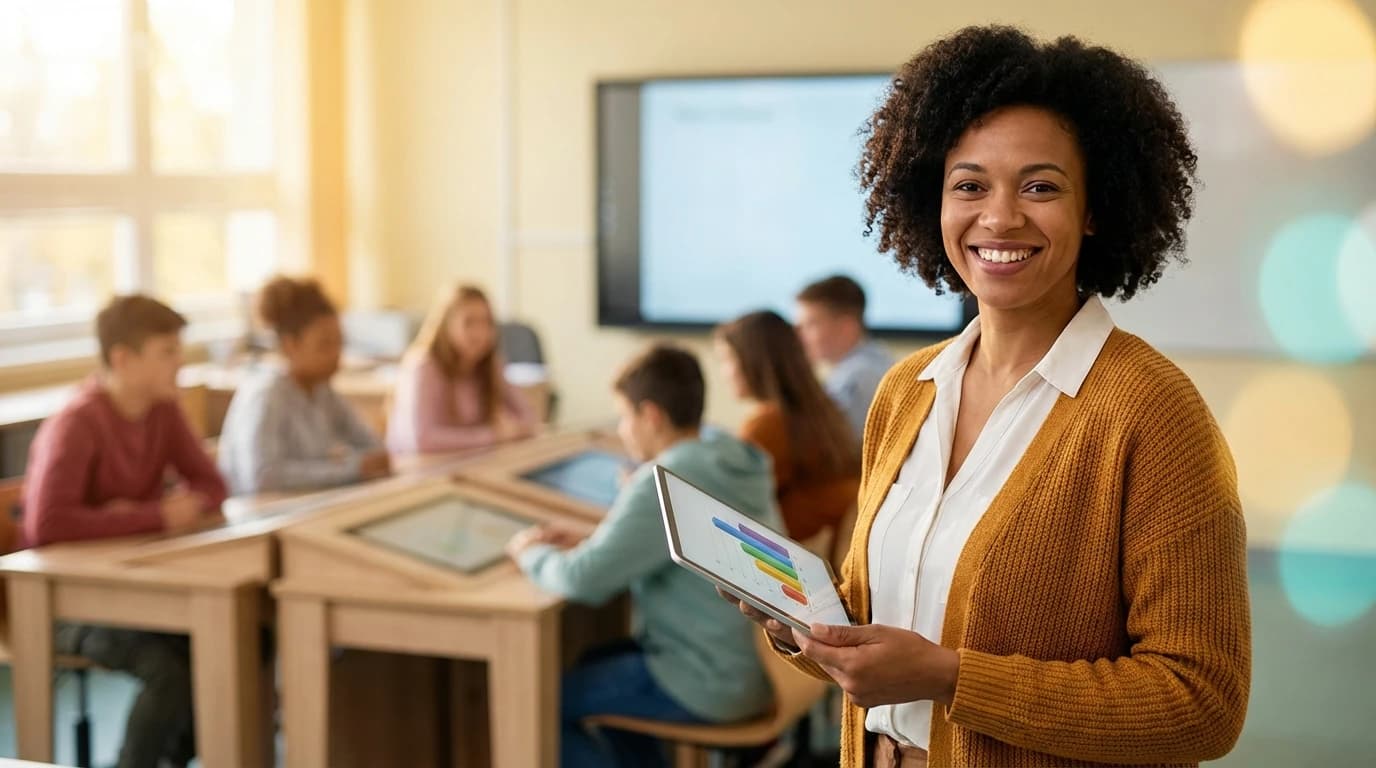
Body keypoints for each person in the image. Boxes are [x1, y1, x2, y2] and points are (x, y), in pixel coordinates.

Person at [727, 26, 1250, 768]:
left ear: (1095, 207)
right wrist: (801, 626)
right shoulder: (906, 389)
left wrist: (950, 676)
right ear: (931, 201)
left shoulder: (1153, 414)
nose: (1000, 218)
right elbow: (877, 624)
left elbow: (1202, 704)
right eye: (969, 185)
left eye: (1040, 186)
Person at [506, 344, 777, 768]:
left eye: (625, 415)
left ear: (650, 415)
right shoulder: (728, 458)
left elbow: (583, 580)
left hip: (707, 678)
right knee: (594, 661)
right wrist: (597, 535)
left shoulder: (663, 478)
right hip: (756, 668)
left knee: (538, 705)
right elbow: (672, 538)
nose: (623, 428)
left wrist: (532, 554)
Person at [23, 294, 229, 768]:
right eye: (167, 353)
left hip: (137, 585)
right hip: (65, 601)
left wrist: (137, 512)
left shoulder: (163, 410)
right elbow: (49, 524)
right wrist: (154, 515)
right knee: (169, 671)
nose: (180, 363)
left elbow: (213, 484)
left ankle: (173, 760)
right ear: (122, 358)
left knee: (235, 642)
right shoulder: (76, 423)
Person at [217, 276, 390, 495]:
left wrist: (362, 461)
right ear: (290, 345)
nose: (337, 354)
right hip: (263, 518)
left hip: (308, 508)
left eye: (340, 343)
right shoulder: (266, 394)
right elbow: (262, 476)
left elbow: (372, 446)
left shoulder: (322, 391)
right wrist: (351, 467)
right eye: (325, 344)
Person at [715, 310, 860, 542]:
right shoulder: (818, 407)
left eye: (727, 359)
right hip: (825, 546)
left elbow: (727, 495)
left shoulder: (768, 423)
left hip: (791, 553)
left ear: (752, 361)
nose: (724, 372)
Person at [386, 284, 537, 454]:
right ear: (446, 324)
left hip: (465, 461)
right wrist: (493, 435)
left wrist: (511, 429)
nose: (480, 332)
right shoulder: (424, 367)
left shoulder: (490, 365)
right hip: (418, 468)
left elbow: (530, 420)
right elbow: (423, 440)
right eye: (469, 322)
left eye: (486, 322)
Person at [795, 275, 894, 438]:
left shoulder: (858, 377)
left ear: (846, 327)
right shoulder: (872, 362)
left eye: (810, 324)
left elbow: (832, 449)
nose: (799, 336)